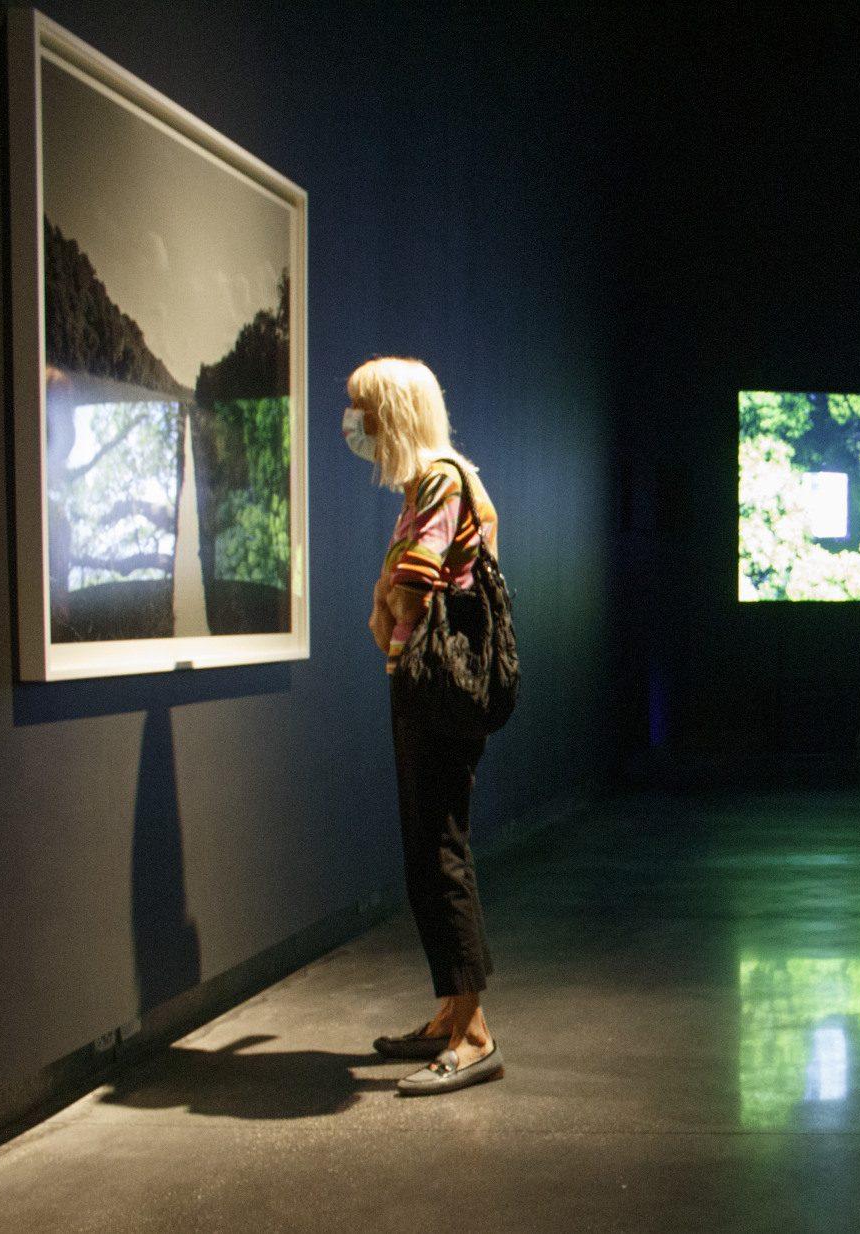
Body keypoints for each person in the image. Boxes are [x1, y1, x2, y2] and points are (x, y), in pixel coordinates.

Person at [344, 356, 506, 1095]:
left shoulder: (440, 478)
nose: (357, 425)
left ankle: (473, 1034)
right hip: (421, 685)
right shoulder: (426, 481)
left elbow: (416, 581)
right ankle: (449, 1012)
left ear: (395, 413)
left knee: (440, 851)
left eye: (364, 409)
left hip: (437, 688)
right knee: (425, 848)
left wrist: (389, 610)